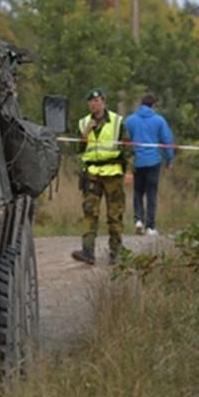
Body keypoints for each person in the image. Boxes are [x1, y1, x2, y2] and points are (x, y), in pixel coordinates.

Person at [72, 88, 134, 265]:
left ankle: (115, 252)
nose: (94, 104)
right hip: (92, 174)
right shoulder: (84, 122)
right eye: (91, 101)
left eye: (97, 100)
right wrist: (85, 133)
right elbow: (78, 148)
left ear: (104, 102)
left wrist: (129, 171)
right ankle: (87, 251)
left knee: (115, 215)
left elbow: (128, 148)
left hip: (113, 174)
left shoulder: (117, 121)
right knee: (89, 213)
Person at [124, 92, 174, 236]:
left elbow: (125, 140)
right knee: (151, 194)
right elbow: (167, 140)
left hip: (137, 162)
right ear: (153, 105)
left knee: (138, 192)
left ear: (141, 104)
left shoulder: (130, 120)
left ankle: (138, 219)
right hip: (153, 161)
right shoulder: (159, 120)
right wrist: (169, 160)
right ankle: (150, 226)